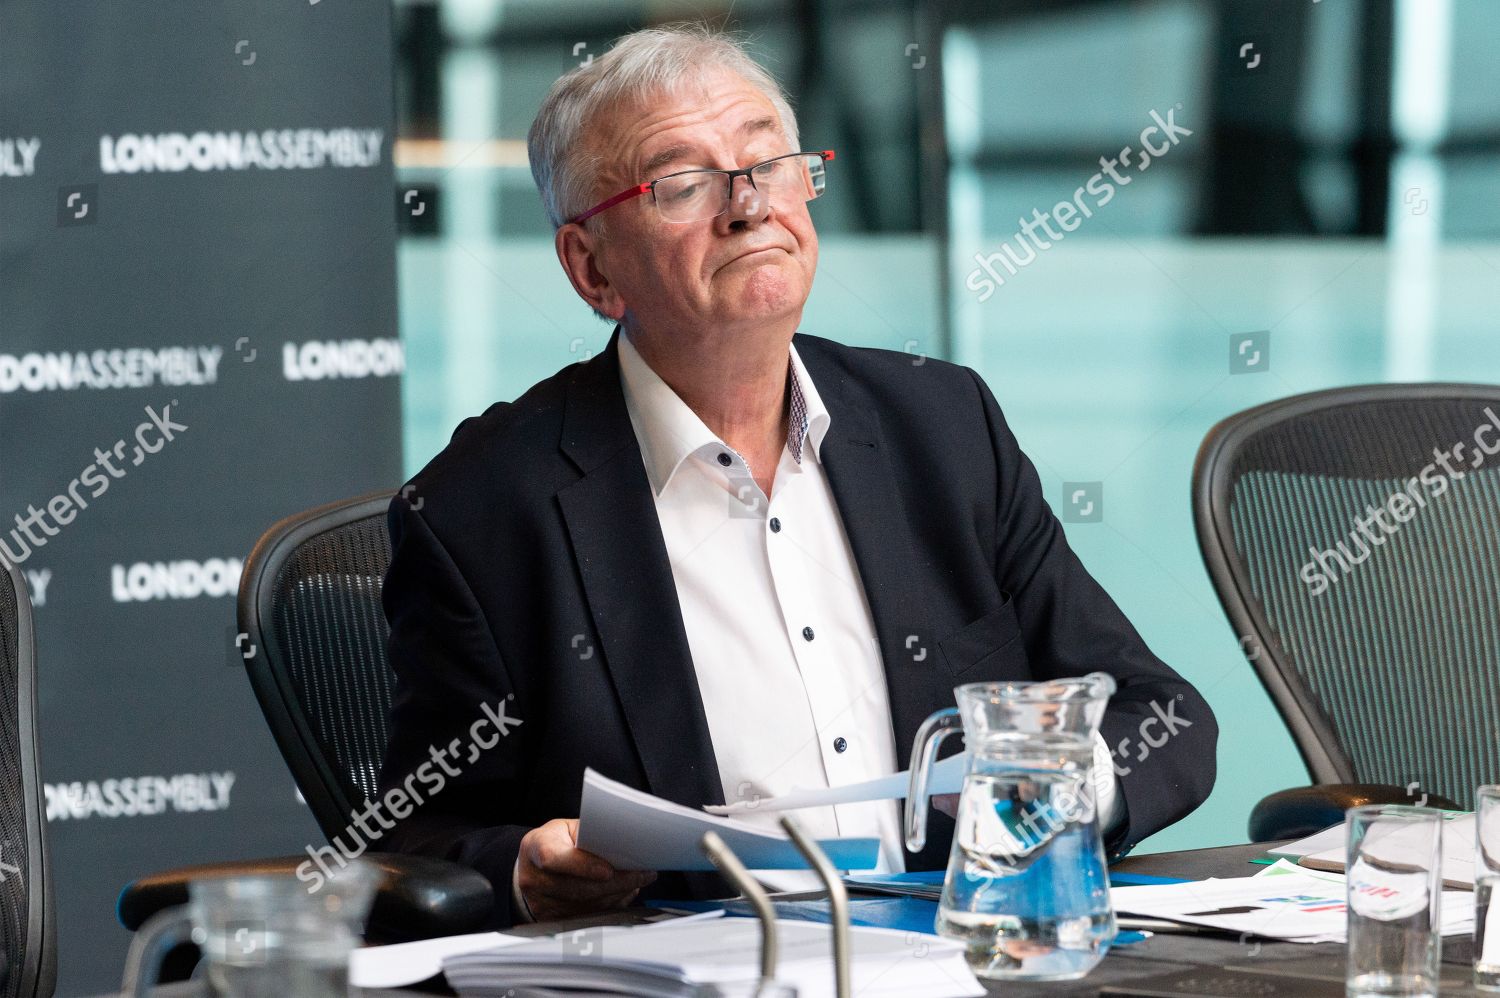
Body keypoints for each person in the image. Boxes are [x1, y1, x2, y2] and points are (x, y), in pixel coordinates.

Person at [375, 23, 1217, 927]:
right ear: (592, 267)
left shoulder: (941, 427)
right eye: (683, 184)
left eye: (767, 164)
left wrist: (1037, 808)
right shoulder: (483, 509)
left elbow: (1158, 715)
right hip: (705, 971)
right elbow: (414, 841)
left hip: (967, 954)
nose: (747, 207)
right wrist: (522, 869)